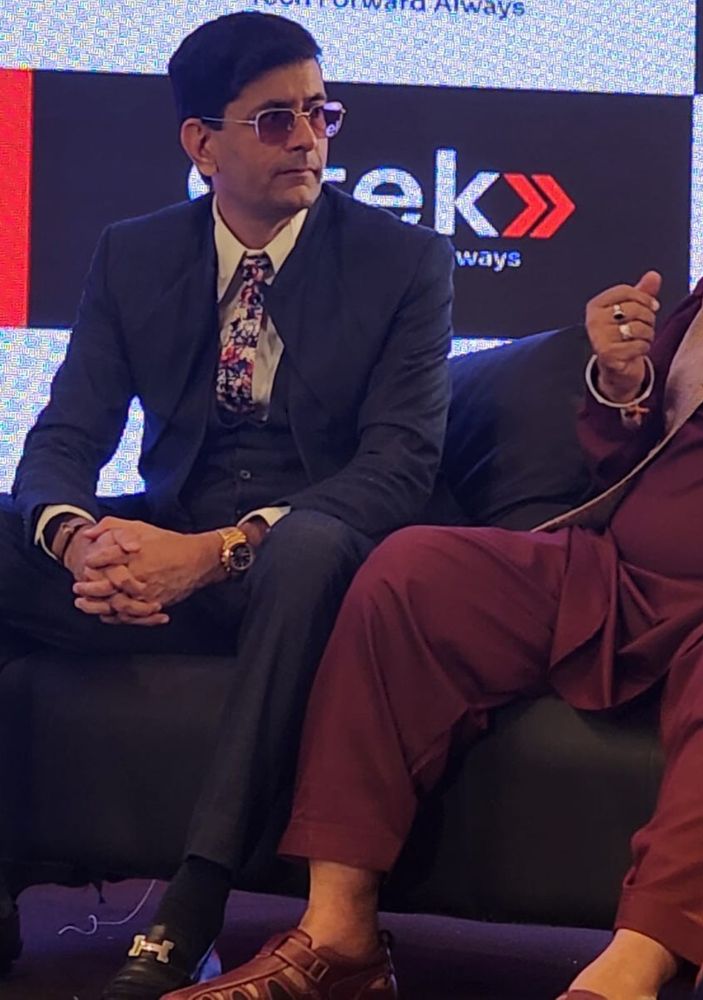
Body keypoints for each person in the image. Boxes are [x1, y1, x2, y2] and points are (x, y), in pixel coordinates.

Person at [163, 63, 703, 1000]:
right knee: (412, 572)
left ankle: (624, 977)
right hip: (620, 573)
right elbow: (623, 457)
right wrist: (621, 383)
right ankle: (339, 936)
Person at [0, 11, 453, 1000]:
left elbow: (398, 467)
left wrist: (212, 552)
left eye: (321, 114)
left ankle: (193, 903)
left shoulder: (403, 262)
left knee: (306, 551)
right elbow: (66, 436)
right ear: (202, 144)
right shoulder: (133, 254)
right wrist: (79, 543)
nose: (309, 140)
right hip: (170, 545)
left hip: (307, 554)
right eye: (275, 120)